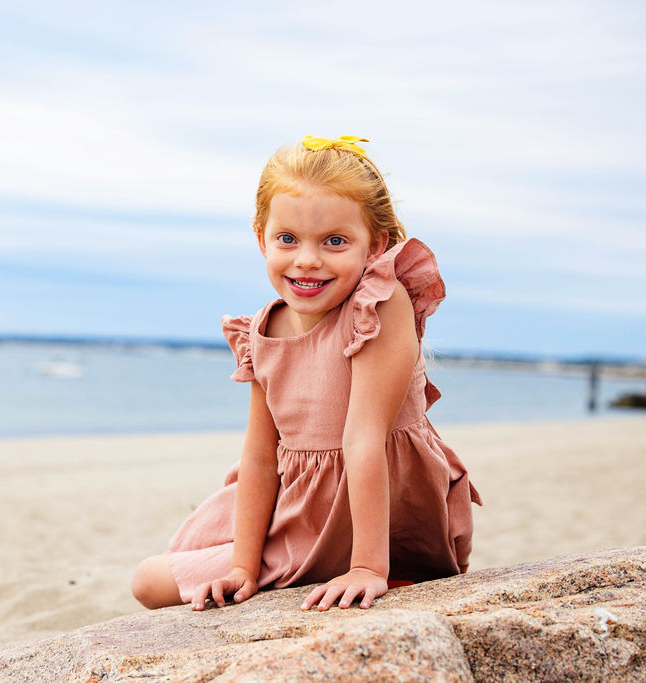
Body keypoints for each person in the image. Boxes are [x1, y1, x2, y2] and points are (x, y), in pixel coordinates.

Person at [131, 135, 481, 613]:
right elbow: (258, 456)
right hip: (295, 506)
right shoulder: (262, 329)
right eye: (287, 239)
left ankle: (382, 569)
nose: (307, 260)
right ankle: (268, 563)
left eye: (335, 241)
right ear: (262, 238)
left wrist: (367, 568)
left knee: (153, 580)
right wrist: (242, 567)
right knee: (149, 581)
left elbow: (364, 438)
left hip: (377, 516)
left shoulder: (378, 304)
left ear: (375, 244)